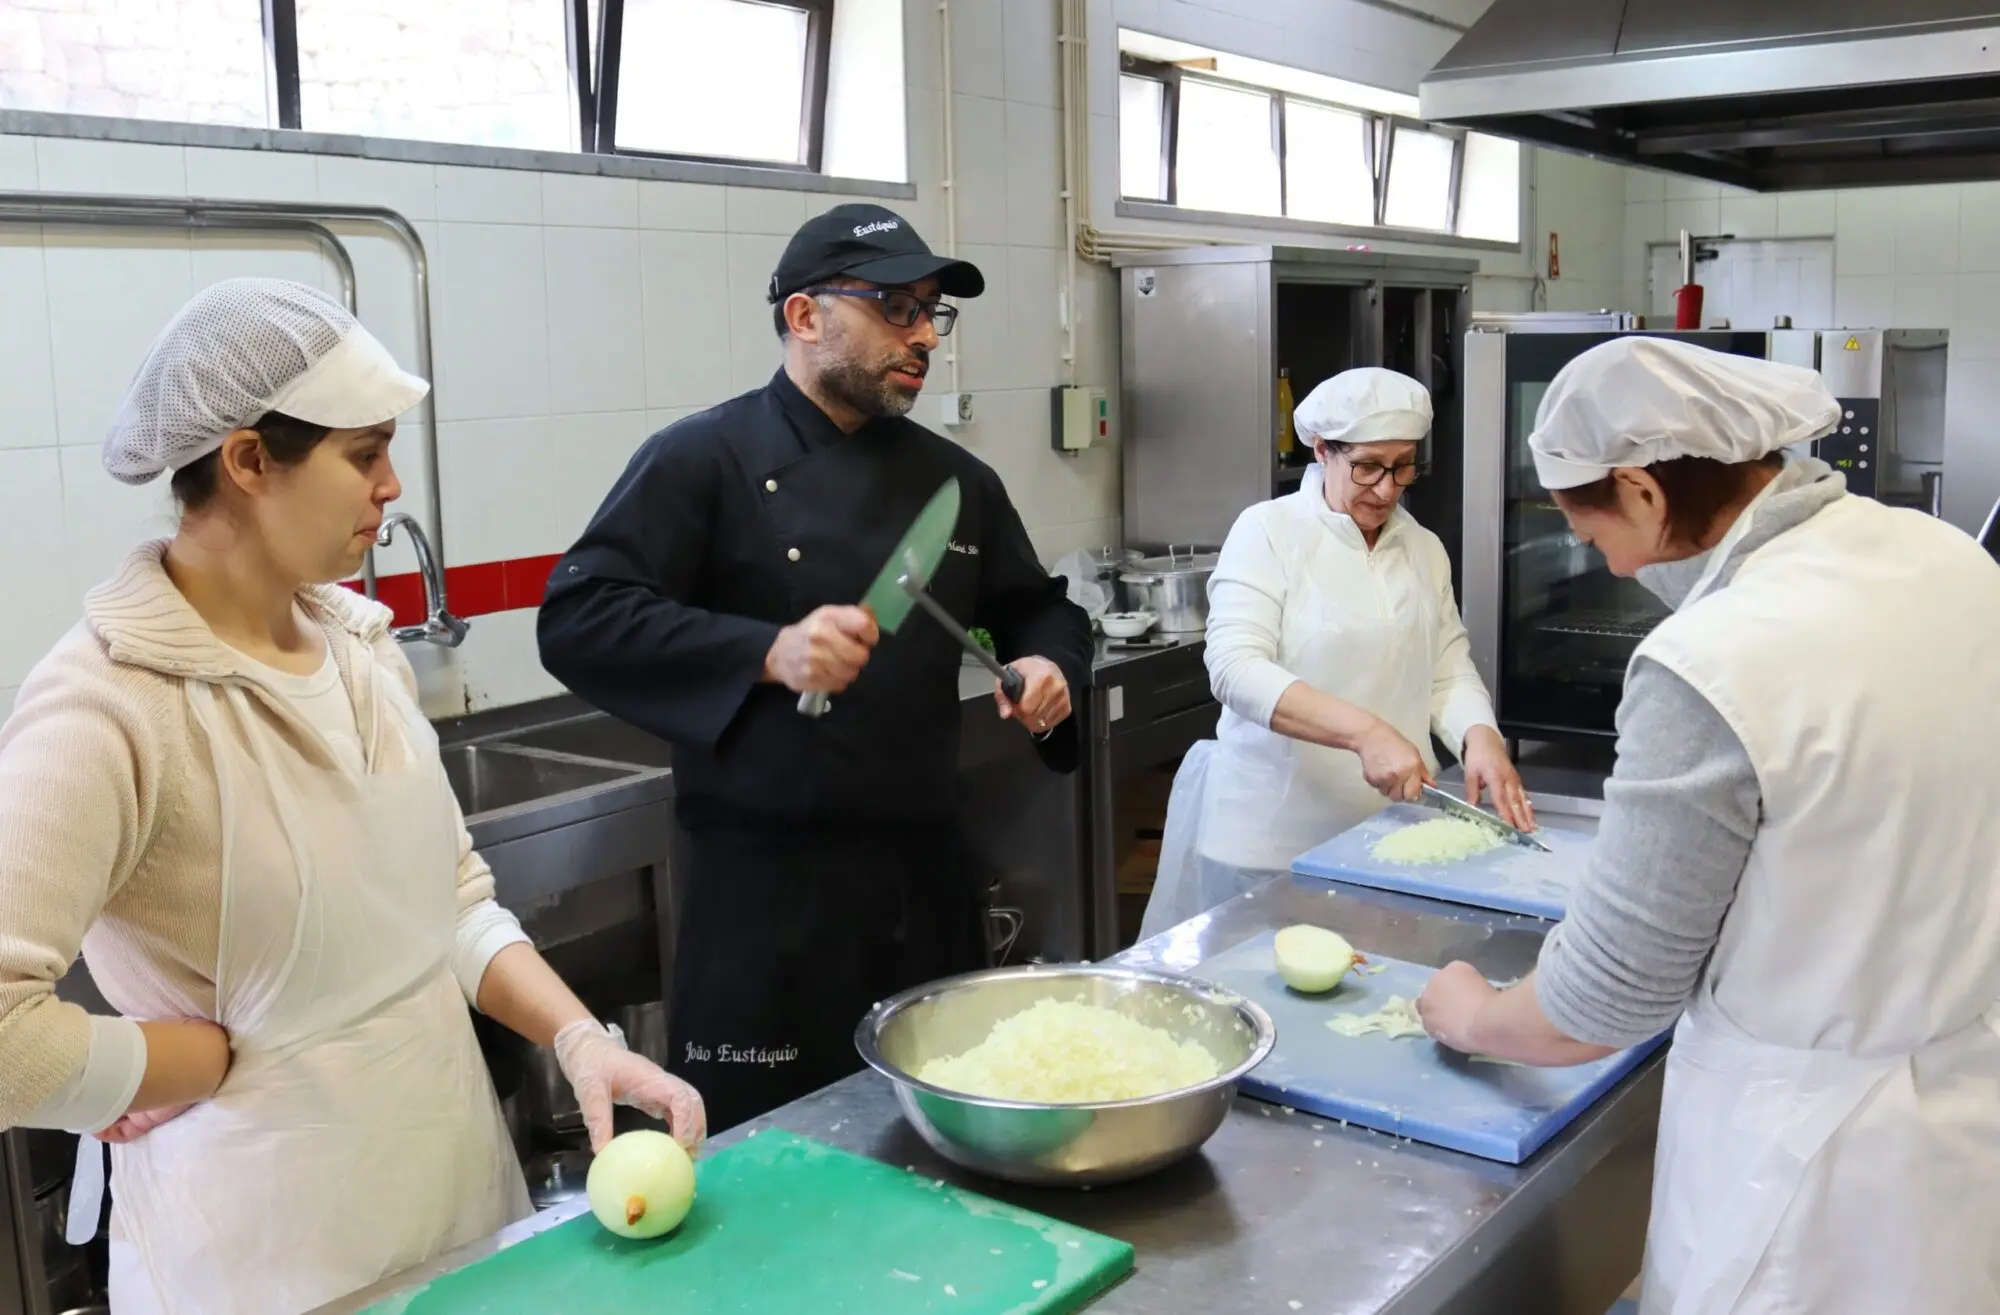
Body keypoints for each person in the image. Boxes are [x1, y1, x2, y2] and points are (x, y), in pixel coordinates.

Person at [0, 279, 704, 1315]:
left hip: (460, 1217)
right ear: (249, 461)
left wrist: (579, 1037)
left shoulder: (361, 649)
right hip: (262, 1264)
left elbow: (448, 901)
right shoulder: (108, 703)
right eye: (364, 453)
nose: (391, 485)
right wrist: (158, 1064)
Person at [1414, 338, 2000, 1314]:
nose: (1603, 562)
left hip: (1798, 1181)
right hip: (1958, 1122)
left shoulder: (1712, 658)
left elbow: (1604, 998)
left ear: (1642, 490)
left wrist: (1470, 1012)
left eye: (1590, 533)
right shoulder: (1950, 562)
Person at [538, 204, 1093, 1132]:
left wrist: (1051, 663)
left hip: (926, 896)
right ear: (804, 316)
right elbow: (579, 616)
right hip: (764, 919)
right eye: (897, 308)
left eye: (931, 313)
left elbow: (1040, 605)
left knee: (937, 1148)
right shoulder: (702, 458)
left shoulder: (956, 482)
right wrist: (766, 651)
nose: (926, 337)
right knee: (763, 1163)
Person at [1139, 368, 1530, 939]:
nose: (1387, 489)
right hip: (1273, 846)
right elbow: (1235, 669)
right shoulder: (1268, 532)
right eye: (1368, 466)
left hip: (1393, 837)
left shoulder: (1422, 548)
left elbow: (1446, 666)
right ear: (1322, 450)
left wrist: (1481, 736)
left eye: (1404, 466)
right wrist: (1365, 734)